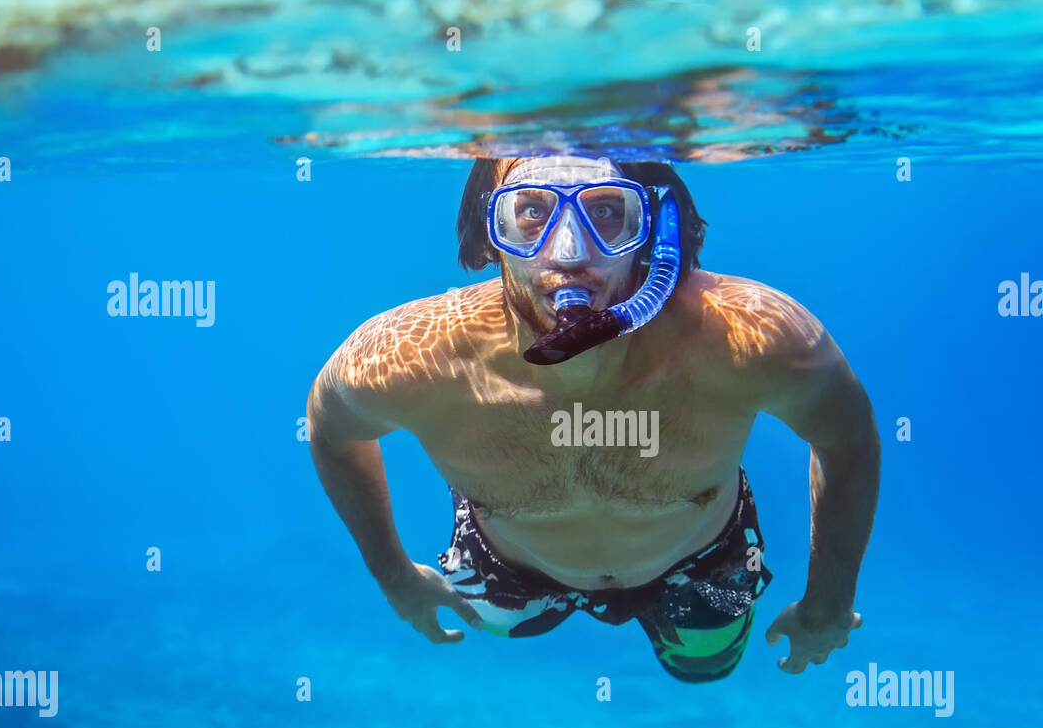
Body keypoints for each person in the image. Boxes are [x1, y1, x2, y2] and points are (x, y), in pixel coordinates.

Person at [306, 154, 879, 682]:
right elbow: (330, 430)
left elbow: (847, 436)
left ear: (653, 227)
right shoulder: (416, 356)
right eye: (531, 212)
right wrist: (394, 575)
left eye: (606, 211)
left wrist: (830, 600)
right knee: (501, 627)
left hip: (702, 565)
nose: (570, 254)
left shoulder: (748, 339)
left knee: (706, 666)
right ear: (490, 234)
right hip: (506, 567)